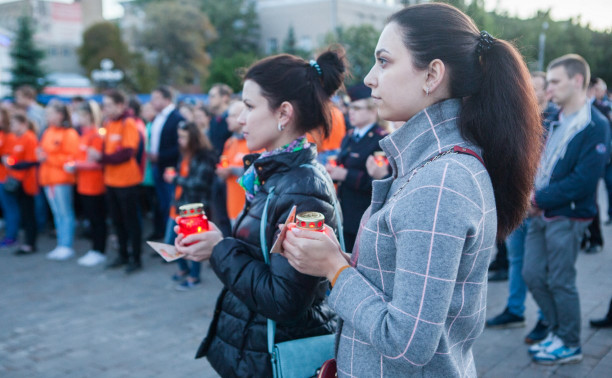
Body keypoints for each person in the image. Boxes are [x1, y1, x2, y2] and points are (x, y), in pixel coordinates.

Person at [281, 3, 542, 376]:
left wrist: (335, 268)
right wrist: (334, 256)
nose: (370, 78)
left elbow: (406, 344)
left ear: (432, 74)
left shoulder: (442, 181)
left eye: (384, 61)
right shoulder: (435, 166)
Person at [173, 49, 346, 377]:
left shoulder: (302, 187)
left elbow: (285, 301)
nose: (240, 118)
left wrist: (219, 248)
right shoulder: (276, 175)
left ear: (283, 113)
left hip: (274, 356)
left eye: (250, 107)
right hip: (253, 351)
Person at [523, 54, 610, 365]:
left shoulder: (595, 124)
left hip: (567, 214)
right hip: (540, 212)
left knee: (561, 280)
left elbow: (584, 182)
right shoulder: (554, 116)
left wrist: (537, 200)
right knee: (532, 273)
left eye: (556, 81)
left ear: (576, 81)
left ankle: (570, 342)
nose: (550, 87)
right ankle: (558, 331)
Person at [485, 72, 552, 345]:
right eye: (528, 87)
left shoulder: (554, 123)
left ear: (547, 92)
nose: (531, 93)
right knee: (516, 260)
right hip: (519, 202)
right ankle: (515, 309)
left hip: (543, 206)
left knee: (540, 268)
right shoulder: (517, 118)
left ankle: (548, 319)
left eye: (537, 88)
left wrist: (539, 198)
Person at [328, 83, 387, 252]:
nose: (350, 112)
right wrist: (332, 171)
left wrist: (345, 174)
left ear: (372, 110)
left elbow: (379, 180)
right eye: (350, 107)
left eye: (357, 108)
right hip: (344, 211)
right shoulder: (350, 136)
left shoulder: (380, 140)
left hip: (363, 213)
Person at [164, 121, 216, 290]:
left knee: (193, 244)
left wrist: (176, 179)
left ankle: (194, 276)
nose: (179, 140)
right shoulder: (185, 154)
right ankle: (184, 269)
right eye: (179, 136)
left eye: (183, 137)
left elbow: (200, 183)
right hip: (179, 204)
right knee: (172, 242)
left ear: (193, 138)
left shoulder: (204, 156)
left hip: (194, 207)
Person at [98, 90, 144, 274]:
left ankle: (136, 258)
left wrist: (102, 158)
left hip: (127, 181)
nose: (105, 109)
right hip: (111, 181)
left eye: (108, 105)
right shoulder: (109, 123)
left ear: (120, 105)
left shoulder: (128, 123)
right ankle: (123, 254)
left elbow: (127, 152)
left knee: (131, 222)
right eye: (104, 105)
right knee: (117, 221)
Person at [38, 101, 79, 261]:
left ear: (60, 115)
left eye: (50, 113)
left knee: (65, 213)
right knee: (57, 214)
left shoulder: (69, 133)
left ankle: (66, 245)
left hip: (61, 179)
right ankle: (61, 243)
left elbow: (71, 157)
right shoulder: (48, 131)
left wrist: (48, 157)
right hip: (48, 178)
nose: (47, 116)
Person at [73, 101, 107, 267]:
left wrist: (76, 165)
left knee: (97, 219)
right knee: (91, 219)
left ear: (87, 116)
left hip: (95, 184)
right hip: (84, 183)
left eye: (79, 115)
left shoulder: (96, 135)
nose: (77, 118)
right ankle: (94, 249)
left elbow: (98, 163)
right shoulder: (84, 135)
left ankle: (99, 250)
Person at [215, 101, 260, 222]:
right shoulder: (230, 142)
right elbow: (223, 166)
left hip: (251, 210)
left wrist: (232, 170)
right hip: (232, 206)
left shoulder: (255, 142)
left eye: (232, 116)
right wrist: (222, 172)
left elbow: (259, 170)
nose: (227, 119)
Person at [148, 86, 183, 240]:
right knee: (161, 204)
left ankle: (174, 240)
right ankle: (164, 235)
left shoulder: (177, 118)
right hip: (158, 167)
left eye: (156, 98)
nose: (152, 102)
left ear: (167, 99)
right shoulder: (158, 117)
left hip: (170, 167)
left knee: (171, 205)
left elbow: (180, 147)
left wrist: (159, 156)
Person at [4, 113, 38, 255]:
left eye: (14, 124)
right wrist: (7, 160)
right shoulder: (13, 138)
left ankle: (30, 243)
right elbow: (8, 155)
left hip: (26, 182)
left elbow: (32, 160)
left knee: (29, 213)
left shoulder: (30, 138)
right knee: (23, 213)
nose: (12, 127)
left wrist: (14, 165)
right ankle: (25, 242)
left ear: (23, 123)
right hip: (15, 180)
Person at [0, 108, 19, 247]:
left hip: (5, 177)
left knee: (9, 207)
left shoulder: (9, 135)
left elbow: (10, 159)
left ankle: (12, 235)